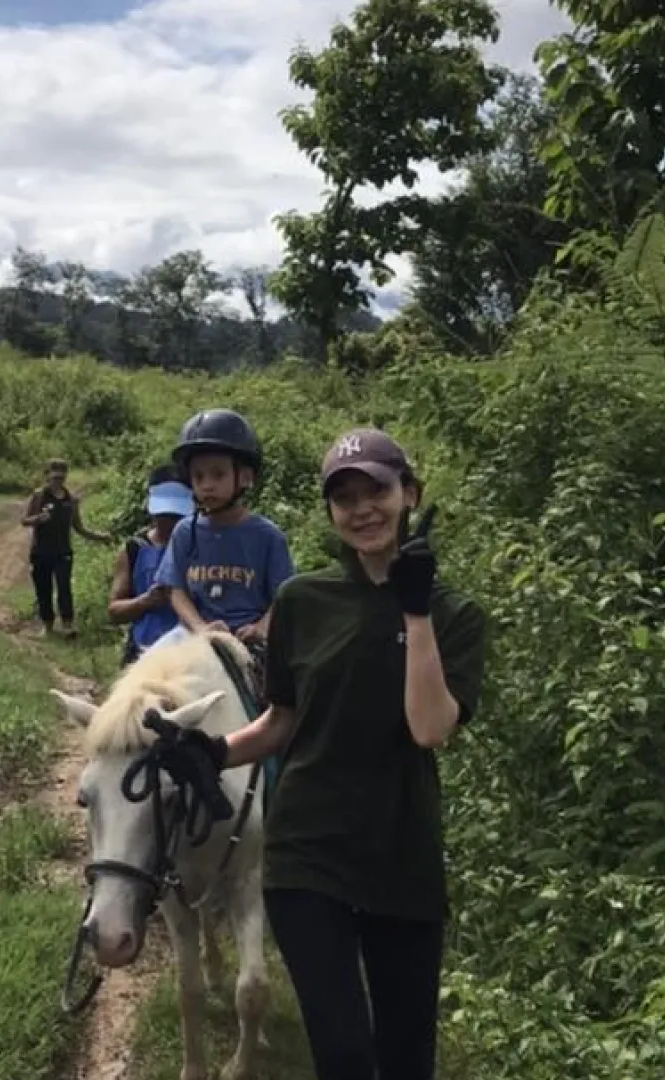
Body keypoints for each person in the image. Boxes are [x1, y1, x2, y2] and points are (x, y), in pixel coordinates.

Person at [148, 426, 488, 1080]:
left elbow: (430, 728)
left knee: (407, 1058)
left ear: (410, 493)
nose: (362, 509)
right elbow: (281, 723)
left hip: (401, 852)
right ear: (329, 512)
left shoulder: (455, 613)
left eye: (377, 491)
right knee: (345, 1055)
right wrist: (211, 752)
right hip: (308, 853)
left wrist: (415, 615)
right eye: (344, 497)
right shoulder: (305, 602)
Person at [154, 408, 294, 664]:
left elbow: (284, 597)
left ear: (245, 477)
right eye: (198, 476)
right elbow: (175, 588)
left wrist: (261, 628)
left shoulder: (268, 537)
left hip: (248, 639)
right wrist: (200, 628)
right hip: (196, 636)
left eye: (218, 474)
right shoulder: (185, 531)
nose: (207, 484)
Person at [107, 465, 193, 667]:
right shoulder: (134, 549)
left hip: (188, 654)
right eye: (164, 516)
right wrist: (145, 601)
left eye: (176, 517)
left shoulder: (203, 548)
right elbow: (114, 610)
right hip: (141, 652)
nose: (170, 523)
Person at [21, 457, 111, 637]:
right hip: (41, 551)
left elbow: (78, 527)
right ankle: (47, 625)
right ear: (47, 476)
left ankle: (68, 625)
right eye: (54, 477)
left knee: (64, 588)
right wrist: (38, 519)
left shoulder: (71, 500)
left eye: (61, 477)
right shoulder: (39, 496)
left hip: (63, 551)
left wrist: (99, 537)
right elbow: (24, 520)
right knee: (43, 589)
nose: (57, 480)